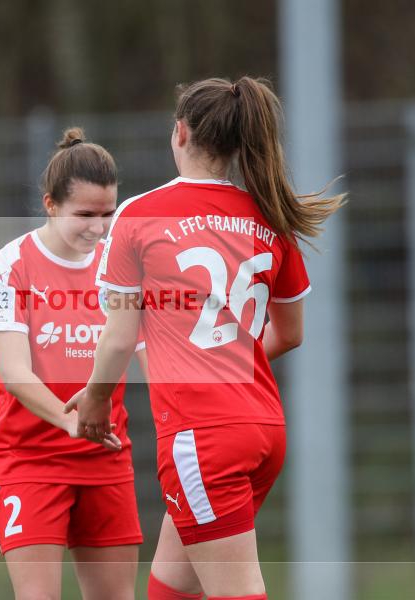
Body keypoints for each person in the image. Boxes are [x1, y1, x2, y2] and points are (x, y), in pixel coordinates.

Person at [65, 77, 345, 600]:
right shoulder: (269, 216)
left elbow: (120, 338)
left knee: (237, 591)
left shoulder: (140, 215)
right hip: (263, 429)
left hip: (202, 438)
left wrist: (97, 400)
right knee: (170, 587)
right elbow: (291, 333)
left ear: (180, 133)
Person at [0, 128, 144, 600]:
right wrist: (70, 421)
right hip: (29, 460)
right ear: (50, 204)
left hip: (106, 455)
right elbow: (14, 372)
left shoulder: (125, 265)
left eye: (109, 213)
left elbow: (148, 355)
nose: (99, 226)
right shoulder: (9, 265)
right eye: (85, 214)